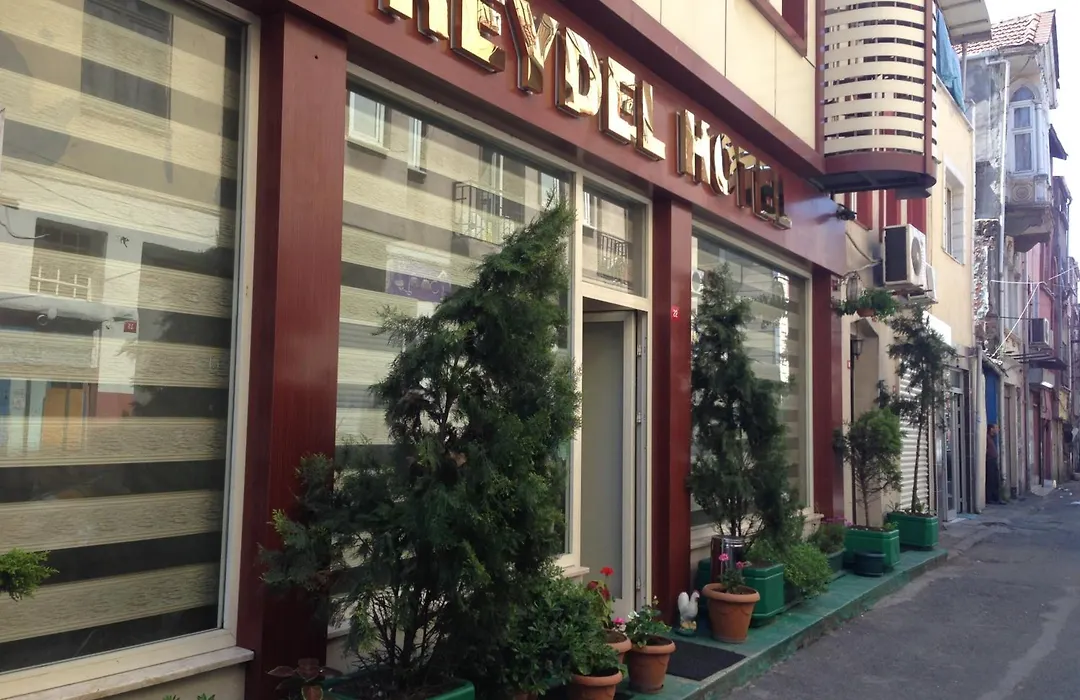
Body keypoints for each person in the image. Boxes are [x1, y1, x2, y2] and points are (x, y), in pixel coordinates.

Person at [986, 423, 1003, 505]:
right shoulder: (987, 438)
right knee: (991, 480)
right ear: (991, 429)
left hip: (993, 460)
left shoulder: (991, 438)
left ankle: (996, 498)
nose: (997, 430)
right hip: (990, 461)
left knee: (995, 480)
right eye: (996, 428)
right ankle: (990, 498)